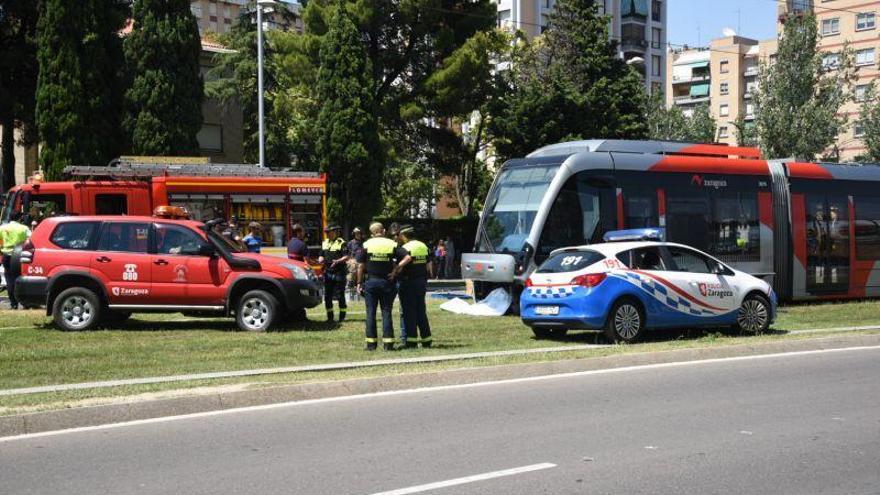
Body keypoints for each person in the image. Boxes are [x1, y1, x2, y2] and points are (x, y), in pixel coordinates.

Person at [356, 222, 400, 351]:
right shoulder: (392, 244)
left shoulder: (366, 244)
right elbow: (405, 257)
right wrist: (395, 271)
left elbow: (360, 265)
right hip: (386, 282)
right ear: (384, 231)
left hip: (371, 282)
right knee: (386, 312)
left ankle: (371, 344)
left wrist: (358, 283)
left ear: (372, 233)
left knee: (370, 313)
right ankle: (388, 344)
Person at [391, 225, 433, 348]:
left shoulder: (404, 248)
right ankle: (427, 339)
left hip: (407, 282)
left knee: (408, 312)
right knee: (421, 310)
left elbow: (399, 266)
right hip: (421, 282)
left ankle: (411, 341)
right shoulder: (423, 246)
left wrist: (395, 272)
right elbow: (428, 265)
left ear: (403, 235)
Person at [0, 212, 32, 310]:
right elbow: (31, 240)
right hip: (19, 256)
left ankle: (13, 303)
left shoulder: (2, 228)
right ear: (20, 218)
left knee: (9, 279)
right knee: (22, 278)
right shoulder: (24, 228)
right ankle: (25, 303)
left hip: (6, 255)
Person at [319, 225, 349, 322]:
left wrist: (338, 261)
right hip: (328, 272)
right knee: (328, 295)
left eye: (329, 232)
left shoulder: (342, 243)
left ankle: (342, 317)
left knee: (340, 294)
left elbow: (346, 256)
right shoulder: (325, 243)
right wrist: (321, 259)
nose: (327, 234)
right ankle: (330, 317)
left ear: (335, 232)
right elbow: (321, 255)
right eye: (326, 233)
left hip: (339, 272)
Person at [346, 227, 364, 300]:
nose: (358, 235)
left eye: (359, 233)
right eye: (356, 233)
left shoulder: (364, 243)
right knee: (353, 265)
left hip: (363, 261)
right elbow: (347, 254)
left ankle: (360, 284)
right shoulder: (350, 243)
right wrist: (349, 260)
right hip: (353, 261)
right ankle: (350, 282)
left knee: (360, 265)